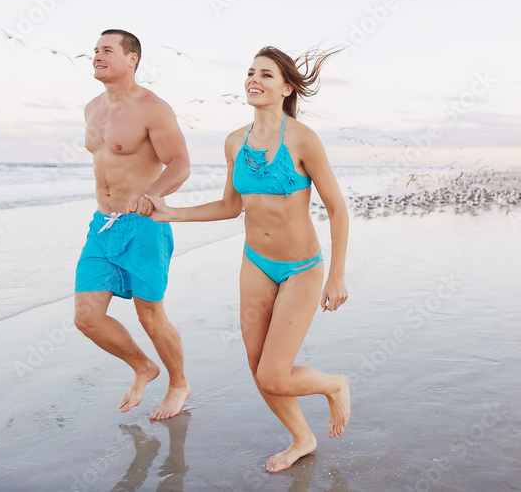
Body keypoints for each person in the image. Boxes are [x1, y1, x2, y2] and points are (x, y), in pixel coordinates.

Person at [148, 46, 351, 473]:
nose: (253, 80)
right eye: (250, 72)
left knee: (274, 376)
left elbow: (336, 207)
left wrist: (337, 275)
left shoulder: (301, 139)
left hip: (301, 269)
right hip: (256, 262)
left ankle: (334, 384)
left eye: (266, 75)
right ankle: (302, 438)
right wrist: (171, 212)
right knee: (258, 367)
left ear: (286, 88)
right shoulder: (234, 142)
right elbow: (229, 206)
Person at [74, 28, 192, 420]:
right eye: (94, 50)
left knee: (150, 314)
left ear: (132, 59)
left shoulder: (152, 108)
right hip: (103, 226)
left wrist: (152, 194)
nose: (97, 56)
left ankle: (178, 383)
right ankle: (143, 367)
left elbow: (180, 164)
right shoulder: (92, 108)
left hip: (144, 225)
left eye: (107, 50)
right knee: (87, 317)